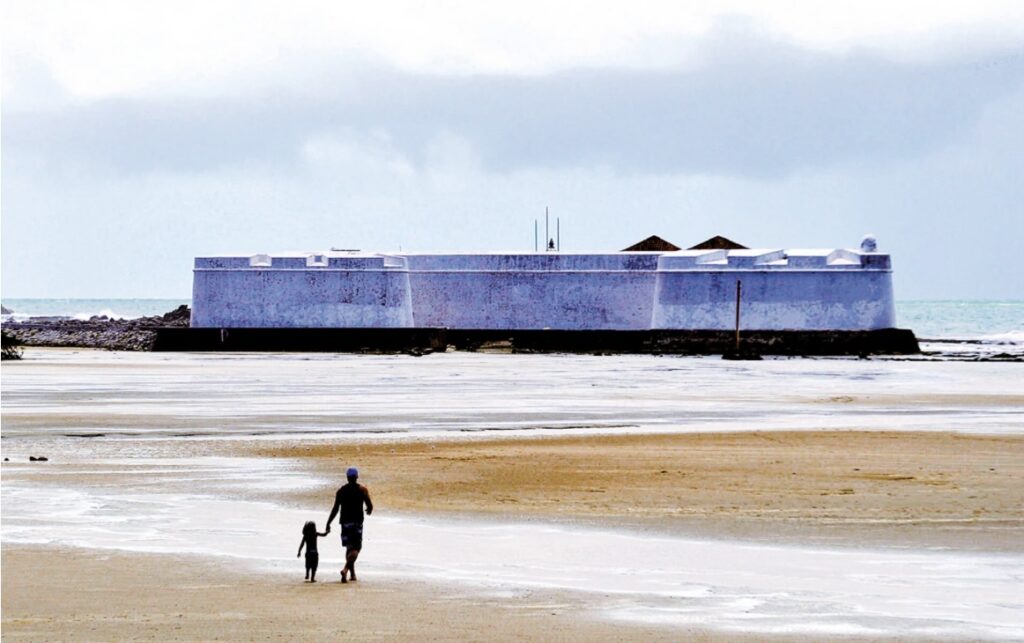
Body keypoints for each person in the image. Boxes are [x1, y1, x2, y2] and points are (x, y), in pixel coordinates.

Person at [326, 467, 373, 583]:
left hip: (345, 523)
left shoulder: (341, 491)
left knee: (349, 547)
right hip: (356, 523)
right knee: (356, 548)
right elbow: (369, 505)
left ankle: (352, 574)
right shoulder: (362, 490)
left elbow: (335, 509)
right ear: (357, 477)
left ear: (347, 478)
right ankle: (346, 569)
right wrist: (369, 510)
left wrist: (328, 523)